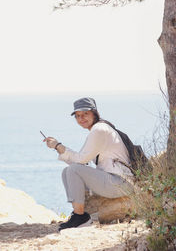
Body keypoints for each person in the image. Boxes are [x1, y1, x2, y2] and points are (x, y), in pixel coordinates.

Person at [44, 97, 134, 231]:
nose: (81, 118)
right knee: (67, 172)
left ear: (94, 113)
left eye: (85, 113)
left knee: (73, 170)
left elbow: (80, 160)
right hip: (113, 181)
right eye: (78, 116)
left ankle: (81, 217)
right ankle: (78, 214)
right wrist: (58, 148)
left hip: (120, 182)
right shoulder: (98, 129)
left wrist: (58, 145)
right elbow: (81, 162)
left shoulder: (99, 129)